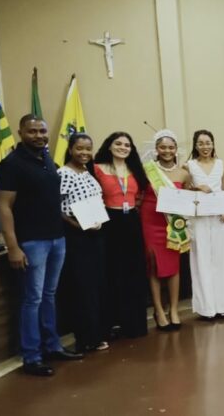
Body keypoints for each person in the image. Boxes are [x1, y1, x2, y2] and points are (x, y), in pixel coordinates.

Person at [0, 115, 82, 376]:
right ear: (21, 133)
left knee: (49, 295)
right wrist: (13, 247)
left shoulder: (47, 159)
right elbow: (4, 207)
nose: (39, 136)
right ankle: (32, 356)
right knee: (32, 299)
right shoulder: (11, 164)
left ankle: (52, 346)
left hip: (56, 238)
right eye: (32, 131)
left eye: (42, 131)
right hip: (32, 241)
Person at [93, 132, 149, 339]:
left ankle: (133, 323)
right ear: (109, 146)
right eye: (118, 143)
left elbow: (141, 195)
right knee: (111, 272)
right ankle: (111, 324)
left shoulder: (136, 169)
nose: (123, 147)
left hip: (132, 223)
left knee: (133, 272)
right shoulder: (97, 168)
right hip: (109, 223)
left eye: (127, 145)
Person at [57, 133, 109, 352]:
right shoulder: (64, 173)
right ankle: (86, 337)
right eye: (79, 148)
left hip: (94, 235)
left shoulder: (88, 171)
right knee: (82, 287)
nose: (84, 153)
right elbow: (56, 208)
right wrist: (77, 226)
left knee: (95, 285)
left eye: (88, 149)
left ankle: (96, 333)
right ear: (70, 149)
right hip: (77, 236)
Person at [140, 130, 189, 331]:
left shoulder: (184, 173)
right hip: (151, 220)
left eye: (171, 147)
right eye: (163, 147)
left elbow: (188, 196)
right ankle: (159, 310)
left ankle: (174, 309)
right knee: (153, 264)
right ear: (156, 149)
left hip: (172, 223)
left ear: (176, 149)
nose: (167, 151)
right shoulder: (147, 170)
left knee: (173, 265)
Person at [186, 129, 224, 319]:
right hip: (198, 218)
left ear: (213, 144)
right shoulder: (189, 166)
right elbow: (185, 190)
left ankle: (223, 305)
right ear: (195, 145)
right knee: (201, 260)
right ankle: (206, 308)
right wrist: (197, 188)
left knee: (220, 260)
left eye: (208, 143)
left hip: (218, 217)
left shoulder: (222, 164)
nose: (205, 147)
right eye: (201, 143)